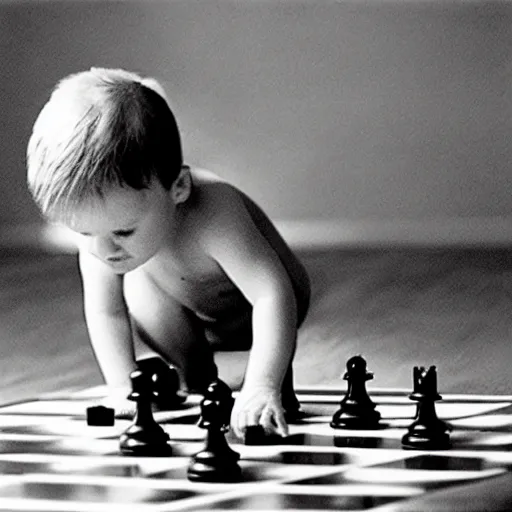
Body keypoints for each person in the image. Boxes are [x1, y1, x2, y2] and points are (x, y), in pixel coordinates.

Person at [26, 67, 311, 438]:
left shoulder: (214, 213)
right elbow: (106, 312)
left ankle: (270, 380)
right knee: (138, 291)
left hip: (262, 306)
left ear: (178, 187)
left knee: (268, 369)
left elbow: (270, 294)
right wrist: (120, 387)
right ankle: (197, 379)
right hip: (186, 305)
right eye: (81, 232)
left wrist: (263, 386)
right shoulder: (100, 237)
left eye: (123, 230)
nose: (102, 248)